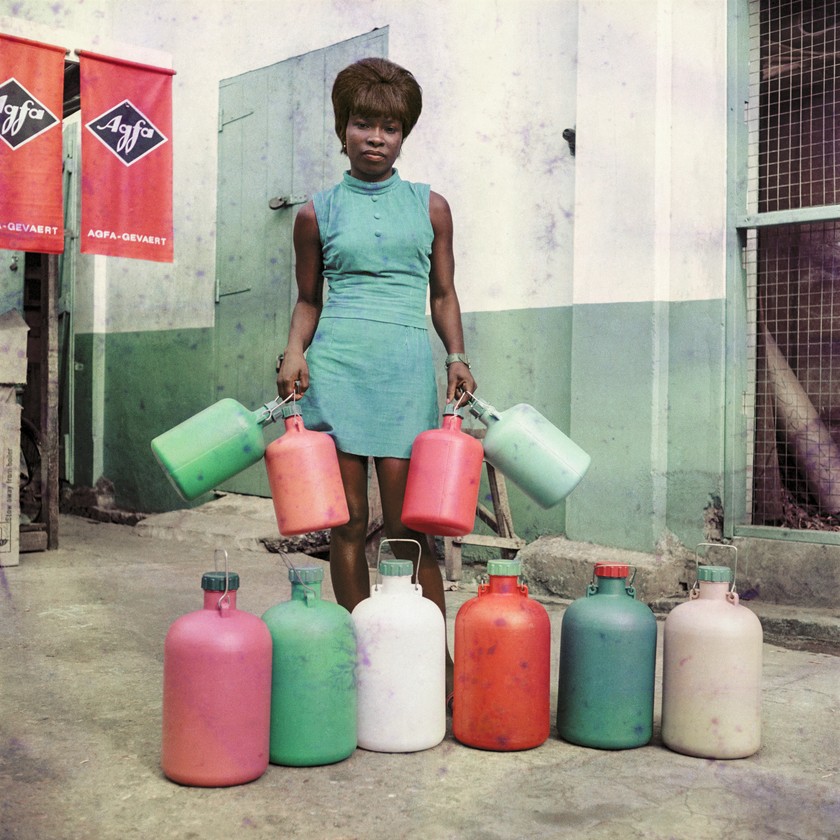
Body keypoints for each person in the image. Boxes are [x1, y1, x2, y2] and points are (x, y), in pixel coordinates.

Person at [276, 57, 476, 697]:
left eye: (389, 127)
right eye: (363, 123)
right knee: (345, 523)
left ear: (404, 134)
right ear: (342, 129)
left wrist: (457, 356)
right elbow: (309, 298)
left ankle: (431, 663)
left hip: (405, 371)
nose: (375, 138)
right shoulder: (315, 213)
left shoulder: (432, 206)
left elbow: (443, 293)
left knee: (408, 526)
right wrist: (293, 352)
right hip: (337, 369)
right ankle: (360, 660)